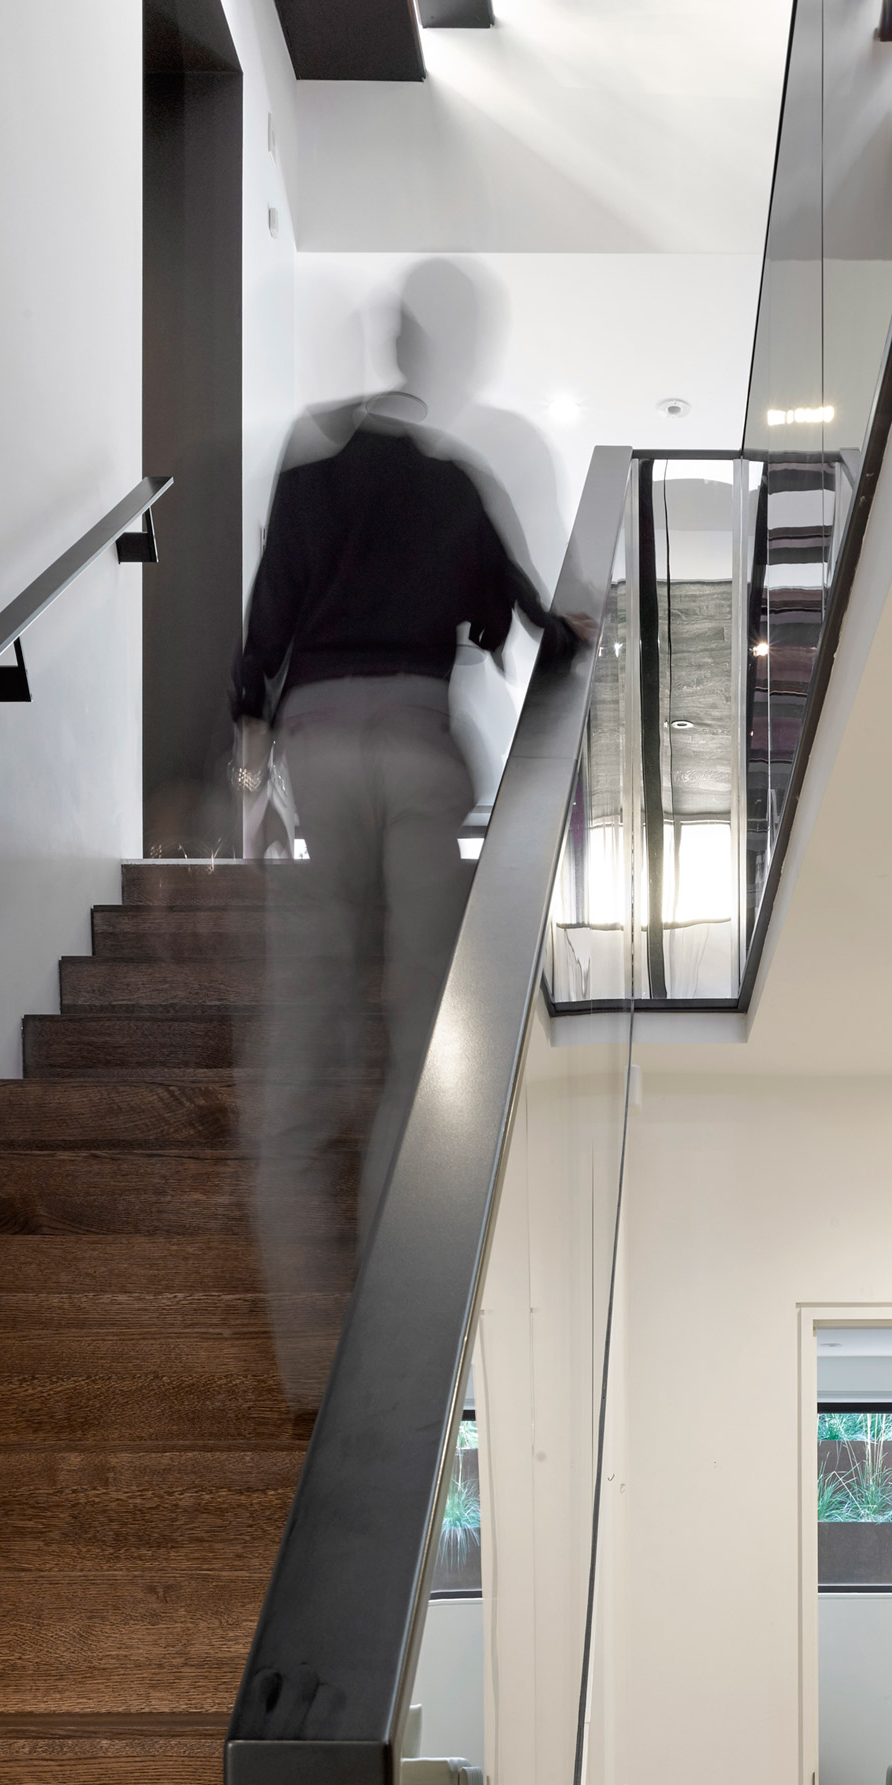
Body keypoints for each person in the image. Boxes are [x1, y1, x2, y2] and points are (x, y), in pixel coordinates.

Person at [230, 331, 579, 1421]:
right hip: (424, 756)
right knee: (421, 1050)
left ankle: (308, 1370)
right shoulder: (453, 486)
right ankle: (391, 1343)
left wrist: (249, 764)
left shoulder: (311, 479)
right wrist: (573, 635)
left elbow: (266, 628)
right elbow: (529, 614)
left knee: (293, 1082)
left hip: (321, 753)